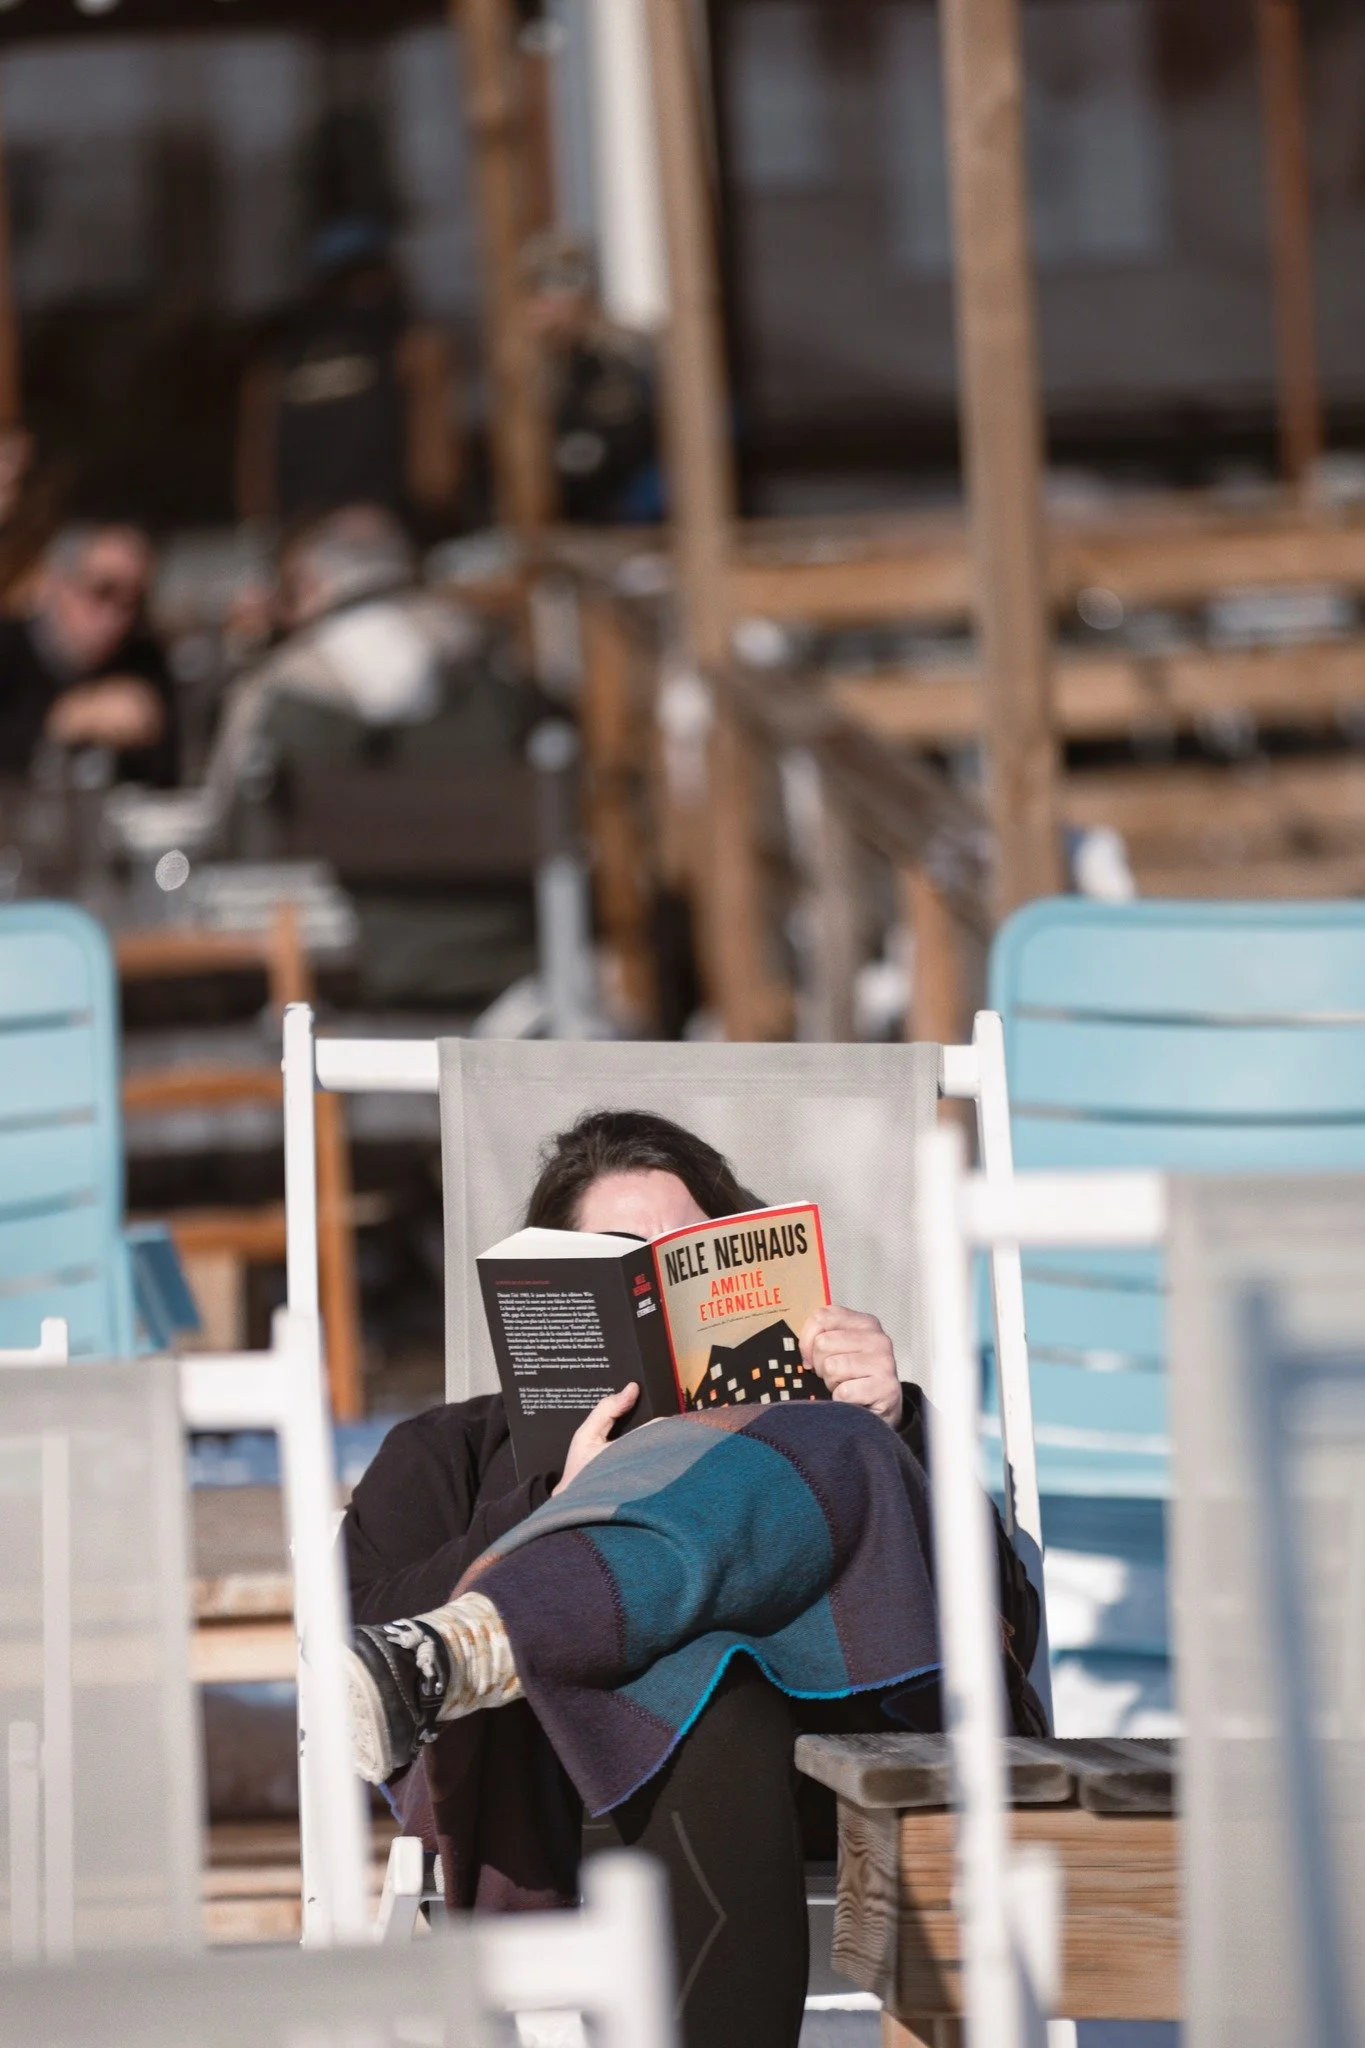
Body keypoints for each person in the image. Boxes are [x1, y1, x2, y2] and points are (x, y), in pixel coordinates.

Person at [342, 1111, 1041, 2048]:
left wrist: (894, 1425)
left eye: (678, 1250)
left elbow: (996, 1620)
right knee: (717, 1689)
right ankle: (504, 1631)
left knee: (805, 1472)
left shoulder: (831, 1429)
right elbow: (364, 1642)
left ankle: (494, 1638)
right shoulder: (449, 1451)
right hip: (568, 1779)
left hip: (842, 1753)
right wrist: (551, 1500)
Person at [0, 522, 177, 784]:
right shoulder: (7, 647)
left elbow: (166, 778)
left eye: (135, 602)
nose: (118, 617)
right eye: (103, 591)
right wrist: (61, 720)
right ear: (56, 583)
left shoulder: (142, 659)